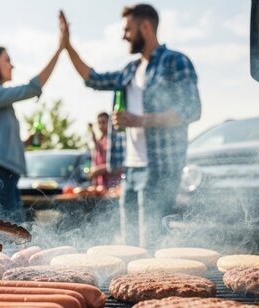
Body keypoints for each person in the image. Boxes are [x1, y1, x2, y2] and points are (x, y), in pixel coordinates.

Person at [61, 4, 201, 247]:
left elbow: (191, 110)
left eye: (127, 29)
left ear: (145, 26)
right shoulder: (130, 70)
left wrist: (138, 120)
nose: (123, 35)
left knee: (151, 245)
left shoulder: (175, 61)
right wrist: (67, 46)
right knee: (129, 246)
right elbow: (92, 78)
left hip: (159, 169)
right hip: (131, 171)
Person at [0, 13, 67, 223]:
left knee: (16, 242)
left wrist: (25, 142)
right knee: (10, 244)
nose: (12, 65)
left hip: (6, 179)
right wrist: (59, 49)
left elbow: (1, 143)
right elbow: (31, 88)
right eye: (7, 60)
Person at [89, 112, 123, 189]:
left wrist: (99, 170)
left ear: (109, 123)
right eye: (99, 123)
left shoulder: (115, 140)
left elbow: (119, 164)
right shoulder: (99, 140)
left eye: (104, 122)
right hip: (101, 186)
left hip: (113, 185)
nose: (101, 125)